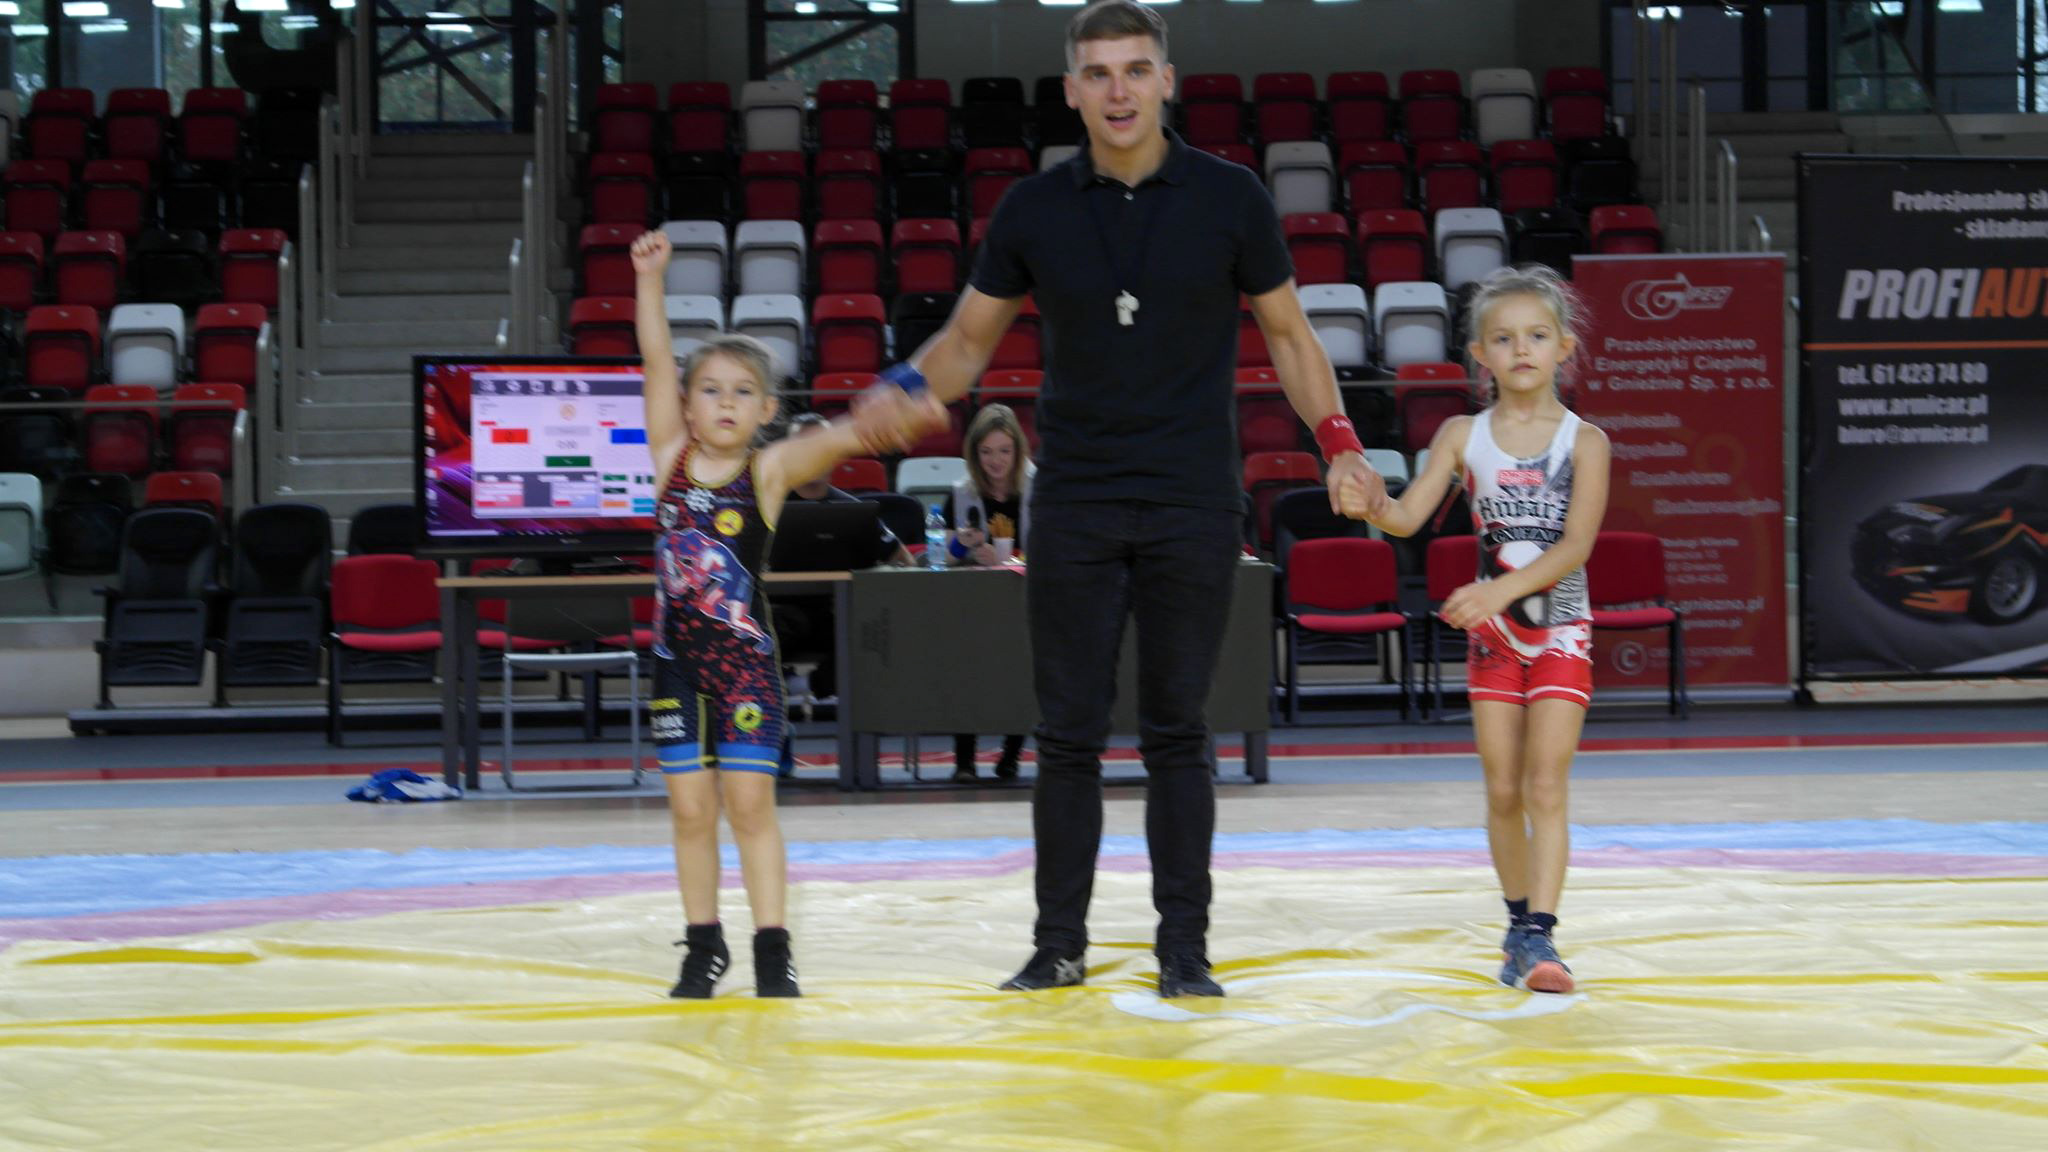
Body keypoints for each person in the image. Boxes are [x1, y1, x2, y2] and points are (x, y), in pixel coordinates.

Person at [859, 0, 1387, 999]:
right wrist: (899, 389)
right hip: (1077, 501)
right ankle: (1057, 945)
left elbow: (1289, 336)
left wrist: (1340, 442)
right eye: (1097, 73)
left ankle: (1182, 951)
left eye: (1135, 70)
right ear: (1070, 90)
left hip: (1193, 497)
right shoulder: (1033, 209)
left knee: (1179, 730)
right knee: (1066, 733)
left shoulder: (1230, 197)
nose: (1117, 90)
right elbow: (966, 343)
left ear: (1165, 80)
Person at [631, 230, 940, 1000]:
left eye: (743, 391)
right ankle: (703, 947)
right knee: (689, 811)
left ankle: (773, 949)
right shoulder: (668, 458)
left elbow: (840, 439)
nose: (724, 402)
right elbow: (656, 361)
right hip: (676, 667)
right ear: (687, 405)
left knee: (748, 806)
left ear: (768, 409)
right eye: (710, 389)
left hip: (745, 670)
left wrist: (893, 416)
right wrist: (650, 280)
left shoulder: (767, 471)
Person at [1361, 265, 1611, 994]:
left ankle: (1542, 936)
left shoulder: (1585, 442)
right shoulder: (1462, 435)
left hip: (1561, 628)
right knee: (1503, 788)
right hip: (1493, 638)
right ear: (1480, 355)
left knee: (1545, 783)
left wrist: (1497, 589)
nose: (1521, 349)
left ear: (1564, 347)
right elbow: (1406, 517)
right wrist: (1369, 500)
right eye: (1503, 338)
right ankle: (1516, 925)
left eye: (1536, 335)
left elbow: (1575, 547)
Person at [774, 412, 911, 779]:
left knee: (871, 635)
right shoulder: (767, 507)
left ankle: (858, 756)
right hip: (782, 614)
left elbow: (903, 560)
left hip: (838, 617)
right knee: (759, 637)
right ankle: (776, 732)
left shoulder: (854, 511)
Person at [943, 404, 1033, 782]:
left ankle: (1011, 755)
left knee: (1022, 669)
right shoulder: (962, 492)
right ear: (974, 453)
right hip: (974, 602)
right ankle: (964, 760)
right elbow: (945, 554)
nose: (996, 461)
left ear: (1018, 451)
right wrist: (964, 545)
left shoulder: (1038, 488)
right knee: (966, 668)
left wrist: (1012, 558)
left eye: (1004, 451)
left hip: (1024, 597)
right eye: (987, 452)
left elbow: (1056, 546)